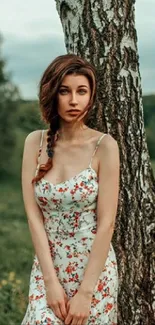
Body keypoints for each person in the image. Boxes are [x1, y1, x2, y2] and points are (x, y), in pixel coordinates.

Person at [21, 53, 120, 325]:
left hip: (94, 274)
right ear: (52, 93)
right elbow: (33, 216)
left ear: (91, 96)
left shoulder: (105, 146)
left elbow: (107, 223)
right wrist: (50, 283)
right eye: (65, 91)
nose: (74, 100)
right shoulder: (35, 143)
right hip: (47, 269)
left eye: (82, 91)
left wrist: (86, 293)